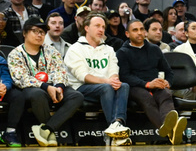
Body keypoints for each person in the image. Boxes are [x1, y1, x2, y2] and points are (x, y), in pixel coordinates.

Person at [7, 16, 85, 147]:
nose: (39, 35)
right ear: (24, 33)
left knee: (77, 96)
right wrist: (45, 87)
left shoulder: (51, 50)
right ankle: (50, 132)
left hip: (54, 86)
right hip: (31, 89)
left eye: (42, 32)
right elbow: (20, 78)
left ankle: (47, 129)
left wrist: (59, 86)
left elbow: (60, 70)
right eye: (35, 31)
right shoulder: (15, 54)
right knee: (38, 94)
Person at [64, 12, 131, 144]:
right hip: (80, 88)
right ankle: (114, 131)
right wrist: (108, 81)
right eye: (97, 26)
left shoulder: (109, 49)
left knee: (124, 86)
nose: (101, 30)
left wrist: (114, 80)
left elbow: (113, 70)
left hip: (105, 86)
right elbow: (83, 76)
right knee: (106, 88)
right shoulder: (75, 49)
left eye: (103, 27)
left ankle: (116, 125)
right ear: (87, 28)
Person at [117, 19, 185, 145]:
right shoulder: (122, 52)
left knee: (166, 94)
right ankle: (171, 132)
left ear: (146, 33)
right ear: (127, 34)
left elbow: (169, 72)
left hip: (155, 84)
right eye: (135, 30)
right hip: (135, 86)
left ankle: (168, 128)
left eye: (142, 29)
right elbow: (125, 76)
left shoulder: (155, 49)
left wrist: (167, 82)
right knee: (146, 97)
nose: (139, 33)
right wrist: (147, 84)